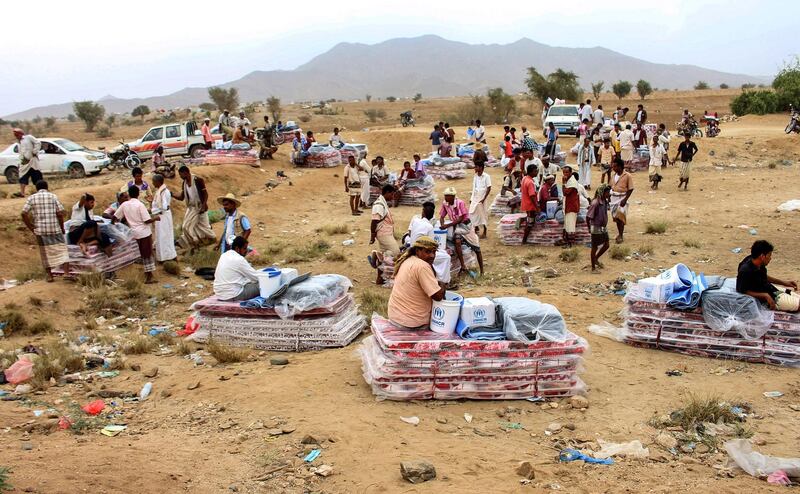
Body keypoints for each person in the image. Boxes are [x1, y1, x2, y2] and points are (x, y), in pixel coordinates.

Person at [387, 236, 446, 330]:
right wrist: (443, 285)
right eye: (428, 251)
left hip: (395, 316)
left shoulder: (408, 259)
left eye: (434, 252)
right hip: (412, 323)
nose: (432, 255)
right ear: (418, 251)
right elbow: (438, 297)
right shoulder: (422, 266)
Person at [21, 181, 71, 281]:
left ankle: (50, 276)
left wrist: (31, 227)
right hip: (54, 228)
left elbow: (23, 213)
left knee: (45, 252)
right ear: (47, 187)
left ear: (36, 188)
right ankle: (66, 273)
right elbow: (60, 213)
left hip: (40, 230)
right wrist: (62, 228)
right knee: (62, 249)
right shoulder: (53, 196)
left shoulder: (31, 198)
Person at [113, 185, 159, 283]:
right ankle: (149, 277)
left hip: (134, 233)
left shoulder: (124, 205)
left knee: (141, 254)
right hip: (144, 232)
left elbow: (115, 217)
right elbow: (146, 220)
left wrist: (113, 227)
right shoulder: (140, 205)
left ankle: (144, 275)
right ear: (138, 194)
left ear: (129, 194)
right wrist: (156, 218)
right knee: (147, 253)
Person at [736, 240, 799, 312]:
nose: (770, 258)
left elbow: (763, 276)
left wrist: (785, 283)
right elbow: (742, 290)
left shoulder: (757, 262)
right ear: (762, 256)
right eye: (769, 256)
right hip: (768, 296)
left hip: (770, 289)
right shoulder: (745, 270)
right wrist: (765, 296)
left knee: (797, 297)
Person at [440, 187, 484, 276]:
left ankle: (482, 270)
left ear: (453, 196)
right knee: (457, 241)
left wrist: (447, 225)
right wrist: (442, 224)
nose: (445, 198)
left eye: (447, 196)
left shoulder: (460, 203)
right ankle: (463, 265)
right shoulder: (445, 204)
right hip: (456, 227)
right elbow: (442, 216)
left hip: (465, 226)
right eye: (445, 195)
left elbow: (460, 219)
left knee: (476, 247)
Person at [173, 166, 216, 252]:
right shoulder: (184, 183)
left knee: (203, 227)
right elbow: (182, 197)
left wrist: (203, 206)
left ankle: (210, 239)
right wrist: (171, 194)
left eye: (181, 174)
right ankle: (194, 243)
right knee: (187, 226)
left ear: (186, 172)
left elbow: (205, 194)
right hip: (191, 208)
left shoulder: (197, 180)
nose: (180, 176)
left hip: (200, 207)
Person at [368, 185, 400, 285]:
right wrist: (372, 235)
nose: (392, 196)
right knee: (395, 253)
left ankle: (380, 278)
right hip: (383, 234)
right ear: (386, 192)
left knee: (388, 254)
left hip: (386, 233)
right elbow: (374, 221)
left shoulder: (383, 202)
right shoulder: (379, 204)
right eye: (392, 194)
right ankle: (378, 258)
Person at [213, 236, 261, 302]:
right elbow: (256, 277)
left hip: (220, 294)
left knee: (249, 282)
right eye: (244, 248)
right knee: (262, 285)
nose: (246, 251)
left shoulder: (224, 255)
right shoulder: (239, 259)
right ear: (237, 248)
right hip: (233, 295)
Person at [150, 174, 177, 263]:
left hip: (163, 216)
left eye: (153, 181)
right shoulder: (161, 191)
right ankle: (166, 256)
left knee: (164, 237)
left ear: (158, 182)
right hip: (162, 216)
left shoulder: (163, 192)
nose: (153, 183)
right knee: (163, 237)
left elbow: (164, 206)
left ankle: (167, 257)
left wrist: (153, 210)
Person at [586, 184, 611, 272]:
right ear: (602, 192)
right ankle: (593, 268)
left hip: (603, 226)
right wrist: (589, 228)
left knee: (606, 244)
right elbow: (588, 217)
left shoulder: (604, 201)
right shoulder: (595, 203)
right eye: (607, 192)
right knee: (594, 247)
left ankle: (596, 259)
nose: (608, 194)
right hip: (596, 227)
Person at [610, 159, 634, 244]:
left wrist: (625, 199)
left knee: (621, 217)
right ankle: (619, 233)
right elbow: (610, 187)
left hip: (622, 199)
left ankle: (621, 235)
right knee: (616, 218)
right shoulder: (613, 176)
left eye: (615, 166)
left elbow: (630, 189)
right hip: (613, 199)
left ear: (620, 166)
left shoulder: (627, 176)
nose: (613, 168)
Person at [13, 128, 42, 198]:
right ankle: (22, 193)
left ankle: (40, 192)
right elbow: (21, 154)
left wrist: (35, 151)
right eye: (15, 135)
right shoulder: (18, 143)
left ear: (21, 134)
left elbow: (38, 142)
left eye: (17, 134)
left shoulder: (28, 138)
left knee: (37, 176)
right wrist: (19, 163)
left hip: (33, 161)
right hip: (24, 162)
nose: (16, 136)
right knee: (23, 176)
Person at [469, 162, 492, 239]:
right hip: (476, 197)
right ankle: (476, 228)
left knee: (483, 214)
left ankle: (485, 231)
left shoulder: (486, 176)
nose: (475, 168)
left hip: (483, 197)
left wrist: (483, 199)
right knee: (472, 213)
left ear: (481, 168)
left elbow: (489, 188)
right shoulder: (475, 176)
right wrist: (471, 198)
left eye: (476, 167)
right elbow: (473, 188)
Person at [520, 164, 540, 245]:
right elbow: (532, 196)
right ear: (531, 172)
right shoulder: (530, 182)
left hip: (526, 203)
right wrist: (537, 206)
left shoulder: (525, 178)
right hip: (530, 205)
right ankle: (524, 241)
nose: (536, 172)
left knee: (529, 220)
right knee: (530, 223)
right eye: (535, 171)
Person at [561, 166, 580, 247]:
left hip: (571, 206)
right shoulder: (569, 180)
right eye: (564, 172)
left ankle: (570, 243)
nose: (565, 174)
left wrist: (563, 183)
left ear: (571, 173)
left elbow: (565, 193)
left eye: (567, 172)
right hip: (568, 205)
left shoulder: (572, 182)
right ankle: (568, 242)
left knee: (570, 225)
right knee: (568, 224)